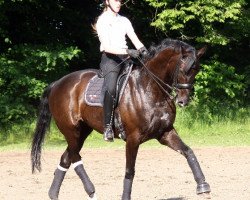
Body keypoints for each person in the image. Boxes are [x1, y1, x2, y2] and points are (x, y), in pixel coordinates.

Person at [95, 0, 148, 142]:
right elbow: (107, 47)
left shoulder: (124, 20)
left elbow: (135, 39)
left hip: (127, 58)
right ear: (107, 2)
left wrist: (144, 51)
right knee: (111, 88)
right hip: (110, 59)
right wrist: (128, 51)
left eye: (120, 0)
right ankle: (107, 127)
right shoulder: (102, 21)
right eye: (115, 0)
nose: (119, 3)